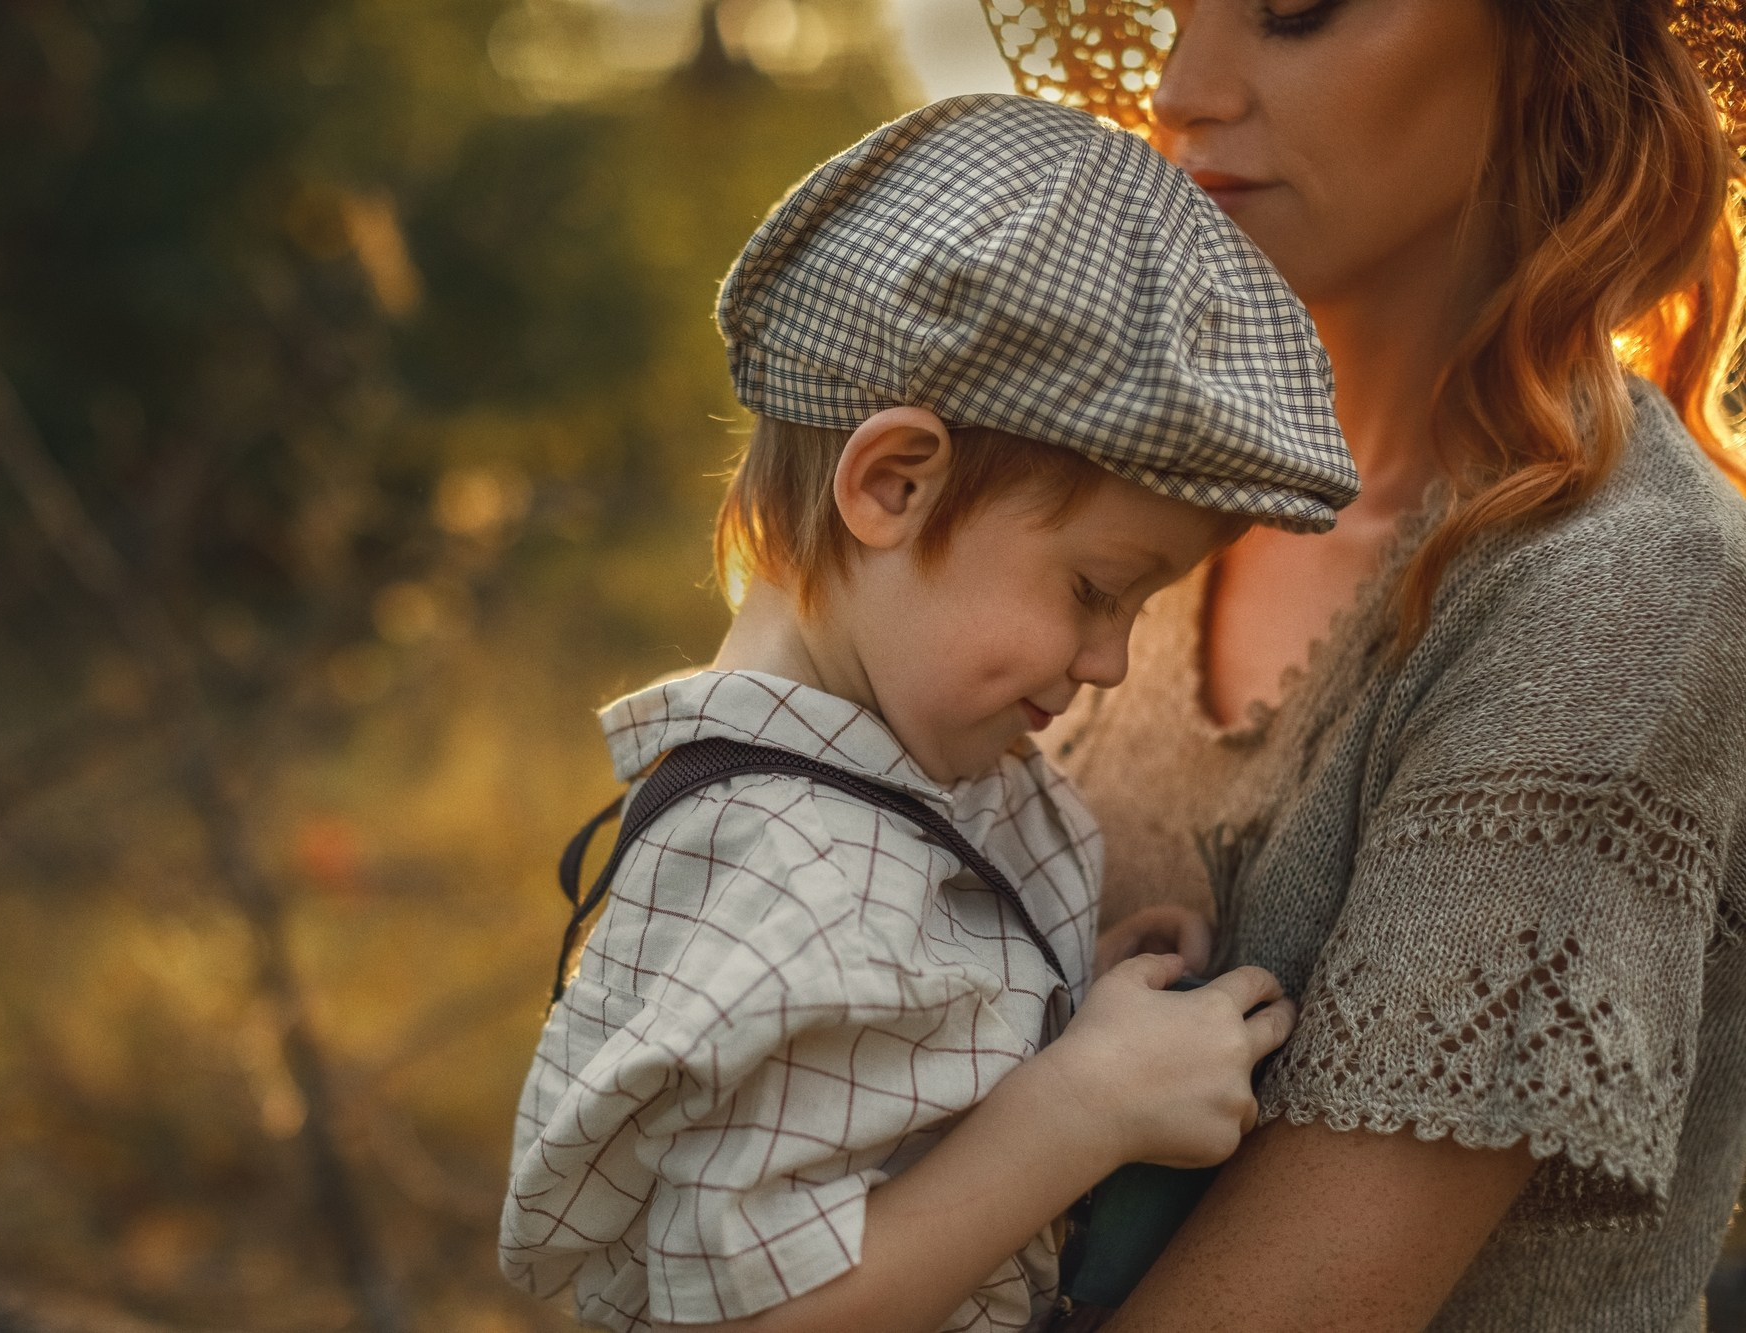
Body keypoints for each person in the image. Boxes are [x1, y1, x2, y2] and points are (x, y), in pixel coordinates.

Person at [498, 94, 1360, 1332]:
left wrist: (1062, 1009)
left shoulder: (869, 791)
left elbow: (869, 1115)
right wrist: (1078, 1112)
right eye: (1094, 591)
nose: (1110, 660)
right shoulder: (798, 870)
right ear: (891, 484)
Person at [986, 0, 1746, 1328]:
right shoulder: (1136, 495)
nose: (1185, 87)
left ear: (1547, 40)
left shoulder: (1621, 591)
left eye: (1295, 9)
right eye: (1174, 10)